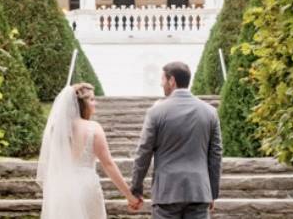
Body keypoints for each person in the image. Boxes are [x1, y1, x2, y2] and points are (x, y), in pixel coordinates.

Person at [130, 62, 223, 219]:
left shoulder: (156, 112)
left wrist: (136, 188)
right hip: (199, 191)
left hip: (166, 192)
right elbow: (216, 155)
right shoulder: (210, 112)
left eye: (163, 80)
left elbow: (144, 152)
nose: (161, 84)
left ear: (171, 80)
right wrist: (212, 192)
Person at [37, 82, 143, 218]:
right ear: (81, 104)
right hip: (86, 187)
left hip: (61, 187)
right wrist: (129, 195)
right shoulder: (93, 128)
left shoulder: (55, 131)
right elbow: (108, 164)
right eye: (92, 99)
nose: (95, 103)